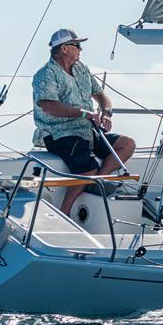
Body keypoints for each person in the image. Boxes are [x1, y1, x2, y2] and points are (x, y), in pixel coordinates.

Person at [32, 28, 136, 216]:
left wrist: (106, 112)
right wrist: (83, 114)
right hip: (59, 133)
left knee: (127, 145)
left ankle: (96, 181)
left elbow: (101, 95)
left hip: (87, 131)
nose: (81, 50)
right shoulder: (45, 73)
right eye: (77, 45)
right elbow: (49, 106)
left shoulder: (82, 69)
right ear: (64, 48)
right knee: (87, 168)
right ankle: (64, 212)